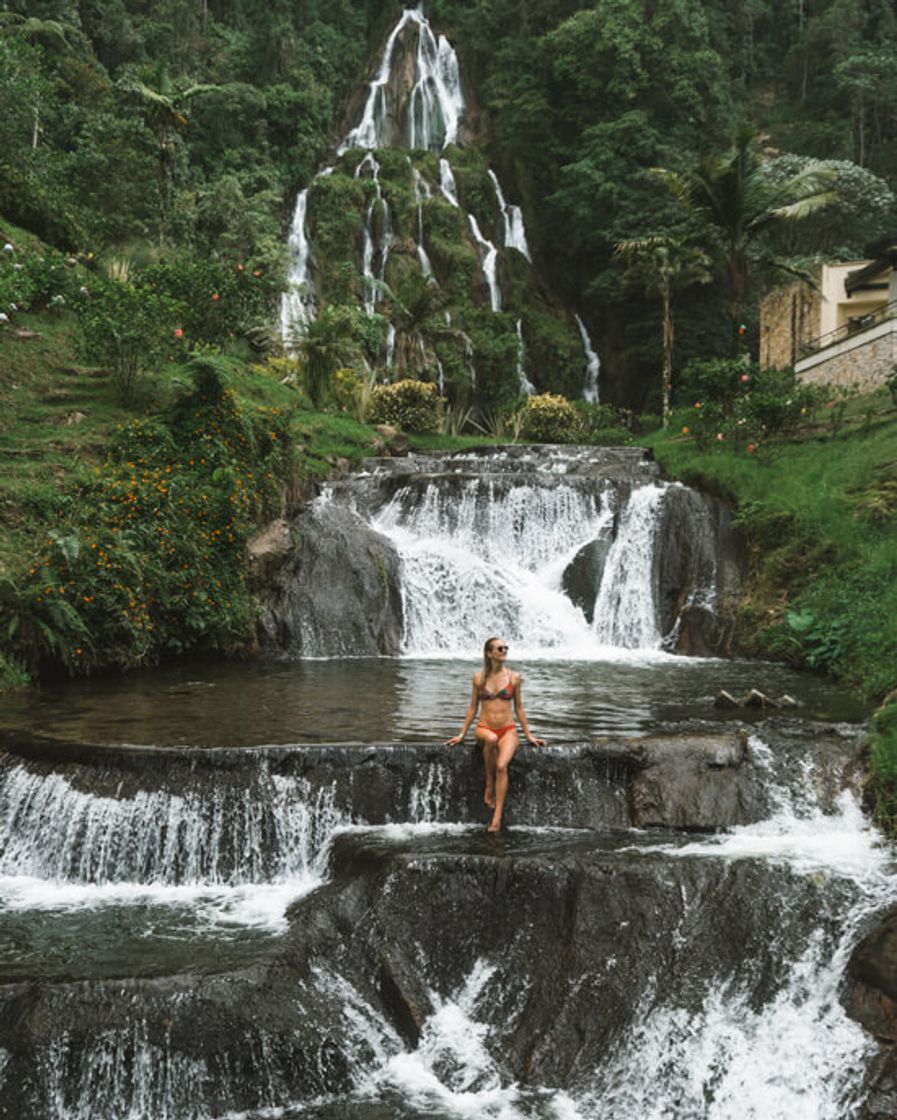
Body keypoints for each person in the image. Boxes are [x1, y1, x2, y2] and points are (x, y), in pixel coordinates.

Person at [445, 637, 546, 832]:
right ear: (489, 653)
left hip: (508, 730)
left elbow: (519, 708)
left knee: (502, 766)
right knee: (490, 739)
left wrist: (529, 735)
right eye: (500, 648)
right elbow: (473, 708)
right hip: (484, 728)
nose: (504, 650)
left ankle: (497, 818)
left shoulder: (514, 677)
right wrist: (462, 734)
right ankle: (489, 784)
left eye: (506, 647)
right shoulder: (478, 678)